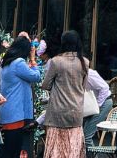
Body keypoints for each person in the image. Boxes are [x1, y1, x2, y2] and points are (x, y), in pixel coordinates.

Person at [42, 30, 89, 158]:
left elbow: (45, 85)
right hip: (76, 112)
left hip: (57, 112)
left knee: (56, 150)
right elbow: (83, 87)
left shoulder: (56, 61)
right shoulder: (84, 62)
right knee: (73, 149)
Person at [0, 36, 41, 158]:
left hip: (6, 109)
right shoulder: (19, 63)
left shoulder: (5, 62)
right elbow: (36, 77)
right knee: (14, 149)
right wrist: (33, 60)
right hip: (15, 113)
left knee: (7, 149)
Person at [83, 62, 113, 150]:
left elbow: (104, 88)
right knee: (82, 135)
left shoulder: (90, 74)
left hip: (103, 103)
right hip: (90, 104)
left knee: (87, 136)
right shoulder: (77, 75)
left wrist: (98, 105)